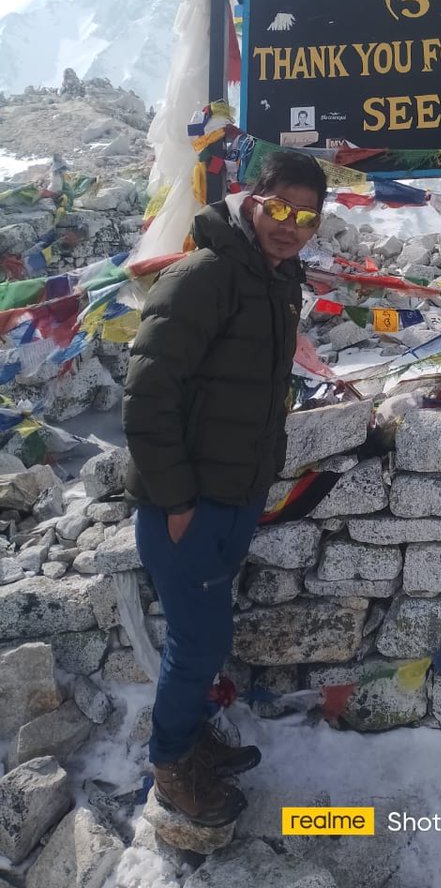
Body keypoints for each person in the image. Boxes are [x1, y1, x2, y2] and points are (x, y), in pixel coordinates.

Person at [123, 149, 326, 827]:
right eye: (279, 208)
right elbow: (147, 395)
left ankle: (191, 741)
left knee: (203, 638)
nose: (288, 225)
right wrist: (177, 500)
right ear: (253, 200)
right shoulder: (206, 274)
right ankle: (172, 767)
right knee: (198, 645)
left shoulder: (276, 281)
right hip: (185, 505)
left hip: (232, 496)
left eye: (305, 216)